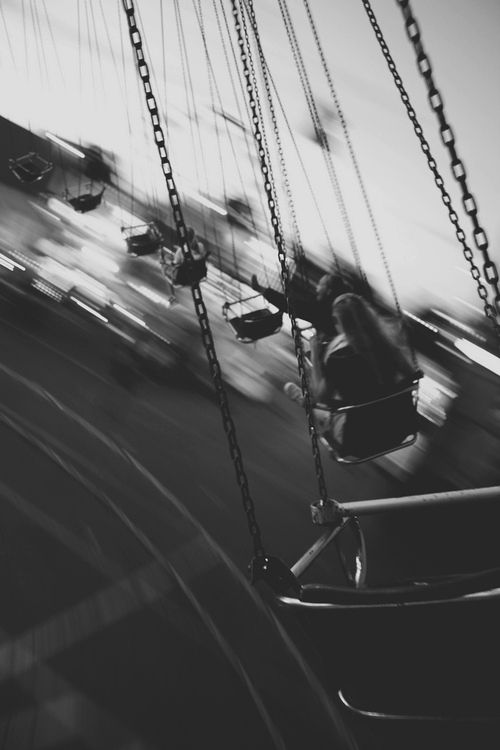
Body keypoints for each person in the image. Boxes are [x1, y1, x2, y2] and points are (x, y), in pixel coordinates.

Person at [285, 293, 419, 458]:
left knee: (324, 408)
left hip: (358, 441)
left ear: (342, 323)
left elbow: (321, 397)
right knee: (354, 399)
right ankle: (309, 404)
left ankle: (304, 402)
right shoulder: (388, 347)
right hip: (400, 429)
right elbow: (411, 375)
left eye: (335, 320)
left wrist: (315, 355)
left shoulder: (339, 359)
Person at [251, 266, 354, 338]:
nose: (317, 288)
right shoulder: (339, 304)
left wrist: (262, 290)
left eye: (320, 285)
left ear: (328, 291)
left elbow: (293, 306)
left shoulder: (321, 309)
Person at [161, 227, 209, 301]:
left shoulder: (181, 251)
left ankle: (172, 295)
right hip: (198, 274)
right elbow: (197, 256)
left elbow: (175, 263)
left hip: (183, 278)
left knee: (164, 267)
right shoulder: (200, 246)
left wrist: (165, 262)